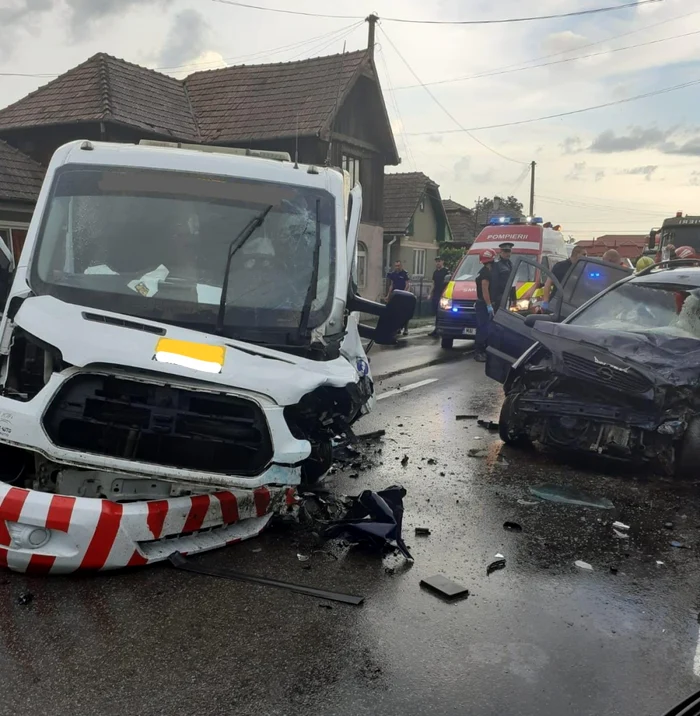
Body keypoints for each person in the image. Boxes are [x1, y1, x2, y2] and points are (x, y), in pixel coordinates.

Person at [541, 244, 587, 311]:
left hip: (571, 305)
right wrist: (545, 302)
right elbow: (548, 284)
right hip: (556, 302)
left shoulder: (581, 268)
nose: (586, 257)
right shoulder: (560, 266)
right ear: (577, 254)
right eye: (584, 254)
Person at [474, 249, 496, 363]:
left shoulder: (482, 271)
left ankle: (482, 351)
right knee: (483, 329)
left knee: (484, 328)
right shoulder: (486, 273)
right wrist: (489, 305)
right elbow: (485, 290)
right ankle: (479, 352)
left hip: (481, 303)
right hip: (483, 304)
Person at [385, 260, 411, 336]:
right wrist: (388, 295)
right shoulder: (393, 274)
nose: (397, 267)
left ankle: (405, 328)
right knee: (396, 312)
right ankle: (398, 328)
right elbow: (392, 285)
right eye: (396, 266)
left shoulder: (404, 273)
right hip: (395, 295)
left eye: (398, 265)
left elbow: (407, 284)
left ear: (401, 266)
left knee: (405, 312)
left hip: (403, 295)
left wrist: (405, 293)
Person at [428, 256, 450, 337]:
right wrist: (430, 293)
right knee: (436, 312)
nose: (437, 263)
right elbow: (433, 283)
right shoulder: (435, 272)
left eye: (439, 261)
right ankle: (436, 328)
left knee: (442, 311)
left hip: (443, 294)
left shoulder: (446, 272)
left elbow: (448, 284)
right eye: (436, 261)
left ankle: (442, 328)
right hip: (436, 293)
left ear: (442, 262)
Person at [491, 242, 514, 310]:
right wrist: (493, 300)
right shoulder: (497, 264)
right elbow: (494, 283)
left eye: (509, 251)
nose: (508, 254)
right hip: (499, 297)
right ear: (501, 252)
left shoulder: (510, 264)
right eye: (505, 251)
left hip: (507, 296)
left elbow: (513, 282)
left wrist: (513, 298)